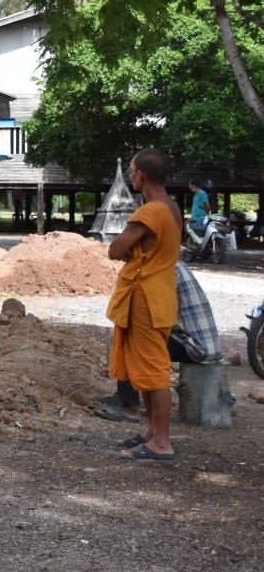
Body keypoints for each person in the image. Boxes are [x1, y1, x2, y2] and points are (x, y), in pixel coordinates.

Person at [106, 148, 182, 461]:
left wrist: (128, 249)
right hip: (162, 295)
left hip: (146, 299)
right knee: (150, 369)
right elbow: (150, 249)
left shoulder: (149, 212)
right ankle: (151, 432)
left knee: (154, 372)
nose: (130, 176)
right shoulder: (173, 208)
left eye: (132, 170)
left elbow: (115, 249)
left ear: (142, 175)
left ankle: (161, 442)